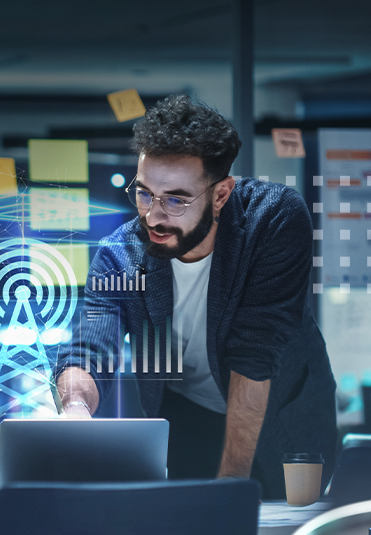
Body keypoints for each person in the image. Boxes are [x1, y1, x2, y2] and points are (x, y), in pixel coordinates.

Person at [54, 95, 337, 500]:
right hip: (188, 415)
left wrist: (232, 484)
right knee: (189, 533)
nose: (153, 215)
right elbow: (90, 345)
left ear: (221, 195)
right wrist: (76, 408)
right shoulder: (122, 255)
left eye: (175, 199)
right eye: (144, 193)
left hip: (282, 414)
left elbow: (254, 353)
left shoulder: (271, 221)